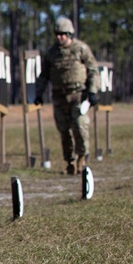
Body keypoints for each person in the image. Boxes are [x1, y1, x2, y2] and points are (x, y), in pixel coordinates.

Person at [34, 16, 99, 175]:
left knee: (79, 127)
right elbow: (44, 75)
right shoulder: (51, 53)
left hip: (78, 95)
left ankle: (82, 158)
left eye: (62, 34)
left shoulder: (81, 49)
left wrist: (92, 91)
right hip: (59, 97)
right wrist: (39, 94)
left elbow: (93, 71)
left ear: (69, 34)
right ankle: (69, 161)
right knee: (64, 131)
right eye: (57, 34)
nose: (59, 37)